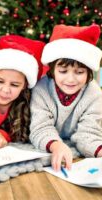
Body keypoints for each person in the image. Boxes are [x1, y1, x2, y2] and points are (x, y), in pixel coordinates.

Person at [29, 24, 102, 171]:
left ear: (89, 72)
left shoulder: (94, 93)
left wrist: (99, 151)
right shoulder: (41, 89)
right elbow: (40, 127)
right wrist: (56, 145)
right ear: (52, 70)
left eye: (79, 72)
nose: (70, 79)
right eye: (63, 71)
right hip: (53, 142)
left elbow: (88, 132)